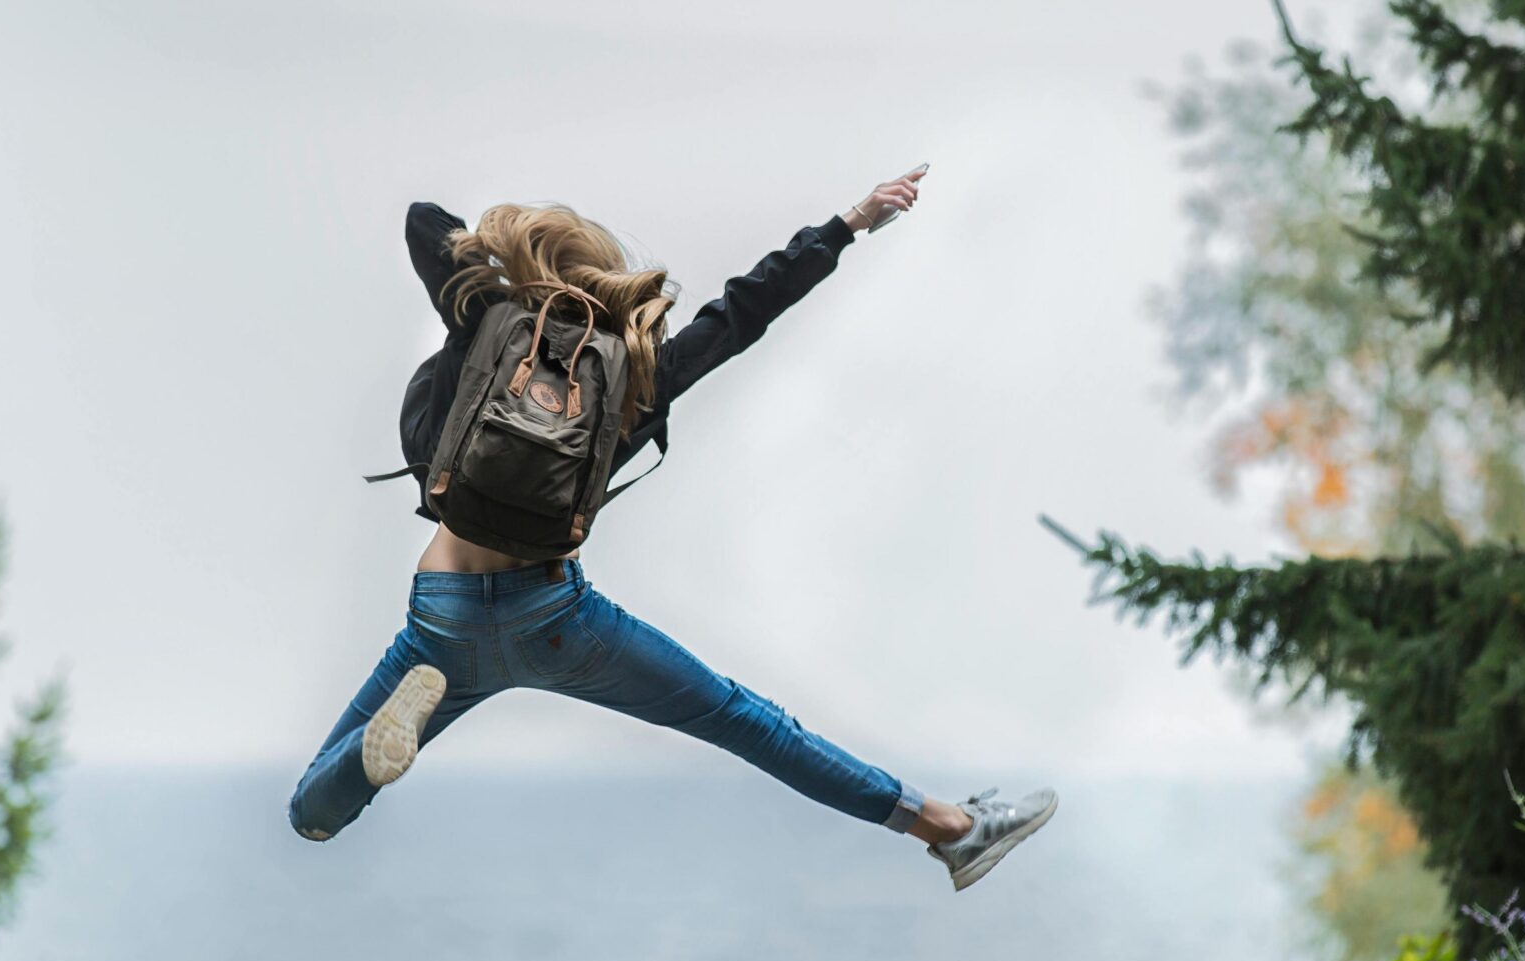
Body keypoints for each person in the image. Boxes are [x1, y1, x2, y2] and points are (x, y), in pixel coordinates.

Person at [286, 168, 1058, 891]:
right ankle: (948, 828)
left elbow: (426, 223)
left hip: (443, 615)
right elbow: (741, 313)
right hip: (555, 618)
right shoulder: (633, 373)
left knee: (311, 813)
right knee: (745, 721)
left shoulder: (485, 322)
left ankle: (366, 757)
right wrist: (848, 223)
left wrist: (509, 270)